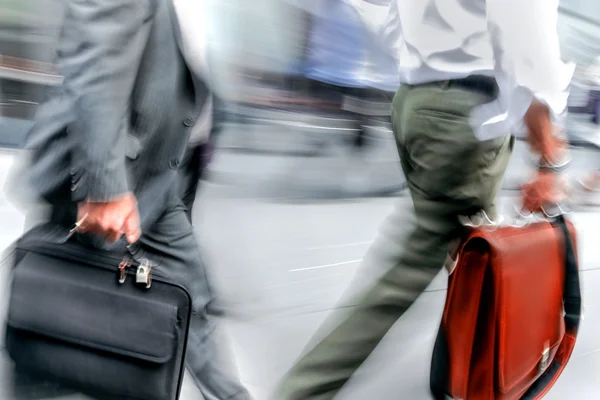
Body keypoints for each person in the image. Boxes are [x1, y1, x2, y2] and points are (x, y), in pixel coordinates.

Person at [272, 0, 574, 399]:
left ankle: (473, 380)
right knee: (419, 270)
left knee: (476, 262)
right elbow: (525, 37)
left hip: (417, 101)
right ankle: (300, 391)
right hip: (466, 110)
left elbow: (385, 15)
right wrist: (549, 156)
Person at [6, 0, 252, 399]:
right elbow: (97, 57)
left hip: (160, 173)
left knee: (191, 313)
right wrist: (103, 187)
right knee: (54, 315)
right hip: (101, 173)